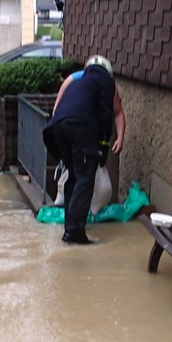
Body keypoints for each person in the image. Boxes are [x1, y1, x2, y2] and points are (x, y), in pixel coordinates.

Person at [42, 54, 126, 245]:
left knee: (73, 175)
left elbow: (59, 109)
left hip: (57, 128)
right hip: (79, 126)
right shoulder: (105, 81)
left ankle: (69, 229)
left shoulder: (79, 82)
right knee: (86, 177)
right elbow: (106, 116)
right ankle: (75, 233)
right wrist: (102, 149)